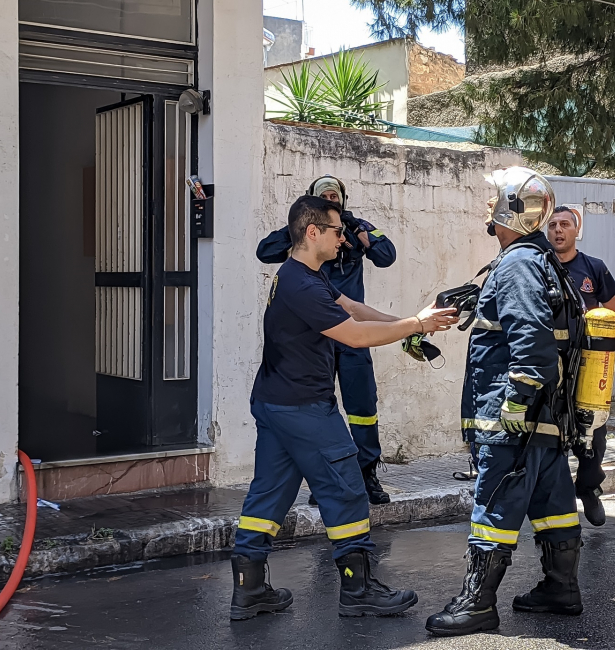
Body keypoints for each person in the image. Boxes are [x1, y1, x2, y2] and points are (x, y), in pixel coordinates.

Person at [231, 195, 458, 621]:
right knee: (347, 490)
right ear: (312, 232)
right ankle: (358, 590)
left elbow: (351, 309)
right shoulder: (300, 283)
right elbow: (352, 336)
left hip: (277, 403)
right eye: (337, 232)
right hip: (305, 408)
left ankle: (249, 590)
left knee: (269, 495)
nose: (344, 240)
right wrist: (417, 325)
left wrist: (408, 321)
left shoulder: (304, 276)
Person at [426, 168, 583, 637]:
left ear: (510, 209)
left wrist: (515, 405)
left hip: (513, 417)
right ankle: (560, 588)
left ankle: (478, 603)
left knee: (494, 501)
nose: (486, 208)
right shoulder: (543, 261)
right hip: (547, 416)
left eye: (492, 199)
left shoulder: (517, 263)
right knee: (552, 501)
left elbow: (532, 339)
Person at [256, 175, 396, 505]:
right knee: (317, 410)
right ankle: (325, 479)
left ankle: (366, 474)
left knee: (363, 407)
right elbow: (265, 251)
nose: (332, 201)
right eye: (325, 198)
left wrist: (363, 239)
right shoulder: (309, 233)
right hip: (314, 337)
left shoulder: (354, 226)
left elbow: (387, 255)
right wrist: (297, 232)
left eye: (336, 196)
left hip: (349, 333)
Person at [546, 206, 615, 526]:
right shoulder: (539, 266)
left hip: (590, 368)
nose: (558, 230)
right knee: (551, 434)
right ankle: (555, 501)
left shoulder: (593, 268)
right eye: (553, 225)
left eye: (564, 225)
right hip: (551, 367)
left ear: (576, 231)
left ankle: (588, 488)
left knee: (594, 436)